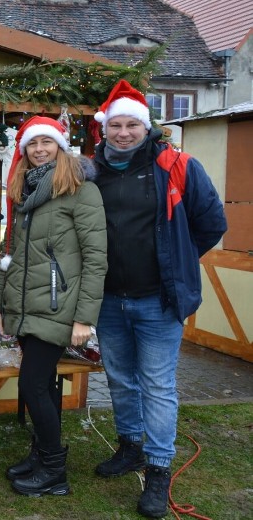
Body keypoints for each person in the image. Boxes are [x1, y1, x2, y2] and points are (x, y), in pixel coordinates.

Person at [91, 80, 227, 518]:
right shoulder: (94, 172)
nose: (124, 132)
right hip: (109, 299)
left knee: (157, 384)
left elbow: (211, 223)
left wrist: (177, 260)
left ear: (146, 127)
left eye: (133, 124)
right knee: (119, 378)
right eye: (117, 125)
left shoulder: (178, 166)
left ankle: (159, 467)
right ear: (104, 129)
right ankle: (129, 445)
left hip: (159, 301)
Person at [0, 116, 107, 497]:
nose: (40, 149)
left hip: (58, 307)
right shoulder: (26, 195)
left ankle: (55, 471)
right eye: (32, 144)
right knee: (41, 387)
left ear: (60, 146)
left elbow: (95, 258)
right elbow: (11, 256)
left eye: (47, 142)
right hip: (26, 307)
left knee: (33, 385)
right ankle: (41, 456)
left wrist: (85, 317)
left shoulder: (80, 190)